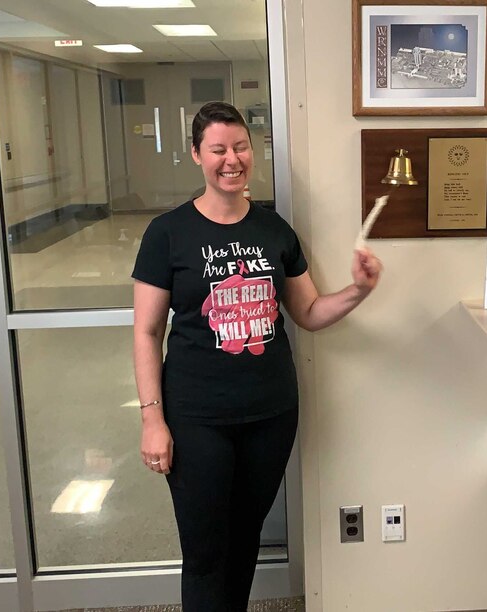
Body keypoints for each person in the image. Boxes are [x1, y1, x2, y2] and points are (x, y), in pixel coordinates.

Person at [131, 101, 382, 611]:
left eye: (240, 146)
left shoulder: (274, 230)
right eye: (218, 149)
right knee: (205, 552)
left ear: (253, 150)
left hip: (269, 413)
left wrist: (358, 291)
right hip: (196, 416)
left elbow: (308, 311)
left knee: (245, 543)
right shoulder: (168, 233)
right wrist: (152, 419)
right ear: (197, 155)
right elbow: (146, 331)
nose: (232, 159)